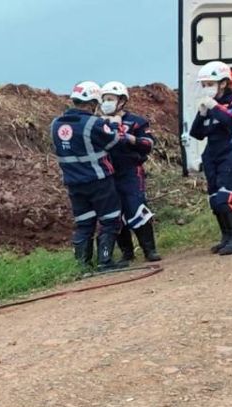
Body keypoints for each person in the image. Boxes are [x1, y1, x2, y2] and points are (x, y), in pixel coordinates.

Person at [50, 81, 130, 272]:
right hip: (98, 181)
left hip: (73, 184)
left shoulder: (55, 124)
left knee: (84, 223)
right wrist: (116, 126)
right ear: (93, 102)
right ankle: (105, 261)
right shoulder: (94, 123)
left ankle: (82, 266)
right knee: (110, 219)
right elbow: (115, 142)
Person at [190, 61, 232, 256]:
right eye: (204, 85)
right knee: (216, 199)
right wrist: (201, 114)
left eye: (210, 84)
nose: (206, 88)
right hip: (212, 153)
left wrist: (216, 107)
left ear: (223, 83)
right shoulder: (209, 106)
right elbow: (197, 133)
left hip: (231, 151)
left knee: (228, 197)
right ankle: (227, 237)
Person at [99, 81, 160, 263]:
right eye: (104, 99)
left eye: (110, 99)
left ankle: (150, 250)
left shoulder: (137, 122)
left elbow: (149, 144)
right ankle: (127, 253)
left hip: (131, 172)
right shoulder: (98, 123)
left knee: (137, 209)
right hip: (108, 174)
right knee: (116, 214)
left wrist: (130, 137)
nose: (106, 103)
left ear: (122, 101)